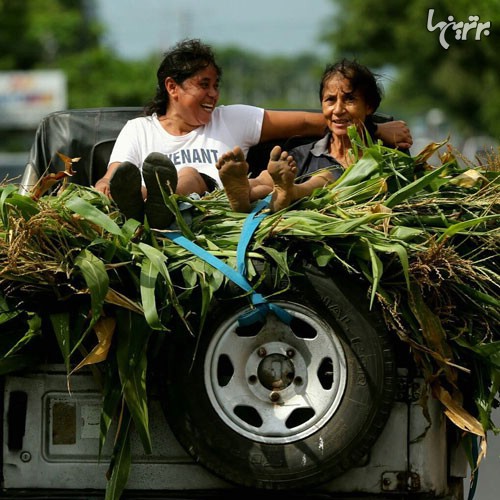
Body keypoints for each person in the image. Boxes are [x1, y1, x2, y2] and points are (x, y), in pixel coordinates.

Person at [94, 39, 412, 227]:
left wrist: (373, 128)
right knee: (259, 180)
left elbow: (306, 122)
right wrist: (106, 186)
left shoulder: (232, 119)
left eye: (216, 85)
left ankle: (159, 200)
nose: (213, 95)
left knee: (192, 176)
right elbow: (115, 174)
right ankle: (145, 203)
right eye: (204, 85)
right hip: (149, 221)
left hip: (213, 213)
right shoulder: (139, 129)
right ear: (172, 87)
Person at [216, 58, 402, 213]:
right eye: (330, 100)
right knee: (267, 181)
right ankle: (244, 191)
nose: (338, 110)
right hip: (285, 198)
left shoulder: (384, 159)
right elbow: (274, 176)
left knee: (324, 178)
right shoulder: (301, 155)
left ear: (369, 106)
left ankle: (291, 192)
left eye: (350, 99)